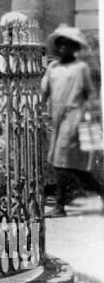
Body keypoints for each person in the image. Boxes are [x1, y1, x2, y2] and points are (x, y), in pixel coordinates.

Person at [40, 23, 104, 216]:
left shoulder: (80, 68)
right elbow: (44, 91)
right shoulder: (52, 67)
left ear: (74, 48)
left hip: (75, 118)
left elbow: (91, 94)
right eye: (60, 45)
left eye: (68, 45)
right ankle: (100, 192)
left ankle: (60, 206)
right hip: (58, 119)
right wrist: (38, 108)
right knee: (70, 164)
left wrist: (93, 118)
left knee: (61, 161)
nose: (63, 49)